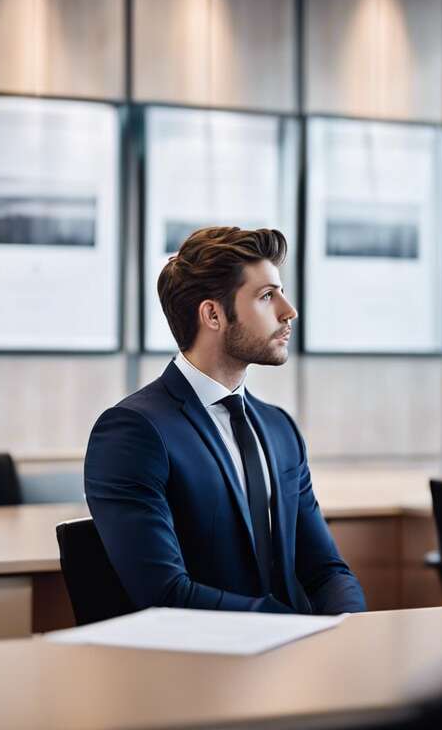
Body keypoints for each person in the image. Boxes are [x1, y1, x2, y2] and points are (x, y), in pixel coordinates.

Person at [84, 226, 366, 614]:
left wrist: (348, 629)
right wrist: (293, 627)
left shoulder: (280, 428)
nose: (289, 311)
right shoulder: (133, 432)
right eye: (267, 296)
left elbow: (326, 571)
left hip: (293, 659)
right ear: (213, 314)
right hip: (199, 664)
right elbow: (165, 594)